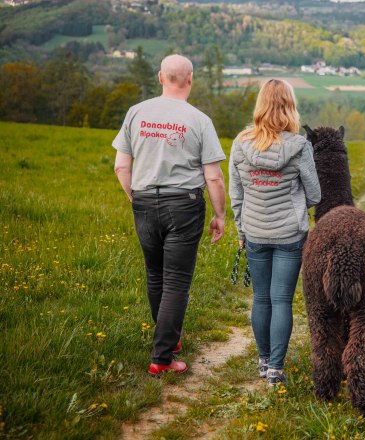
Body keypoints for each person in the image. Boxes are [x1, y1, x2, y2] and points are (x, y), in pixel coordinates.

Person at [113, 54, 227, 375]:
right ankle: (162, 357)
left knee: (155, 275)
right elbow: (214, 176)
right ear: (190, 80)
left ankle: (169, 338)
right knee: (176, 281)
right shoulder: (199, 120)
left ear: (160, 78)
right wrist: (220, 215)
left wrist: (135, 196)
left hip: (145, 202)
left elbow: (121, 166)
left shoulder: (136, 113)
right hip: (185, 205)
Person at [229, 79, 321, 385]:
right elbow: (315, 194)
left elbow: (237, 194)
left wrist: (241, 229)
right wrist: (295, 204)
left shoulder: (241, 143)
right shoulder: (300, 147)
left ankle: (263, 359)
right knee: (282, 300)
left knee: (261, 299)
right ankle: (275, 370)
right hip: (289, 235)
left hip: (254, 231)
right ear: (289, 107)